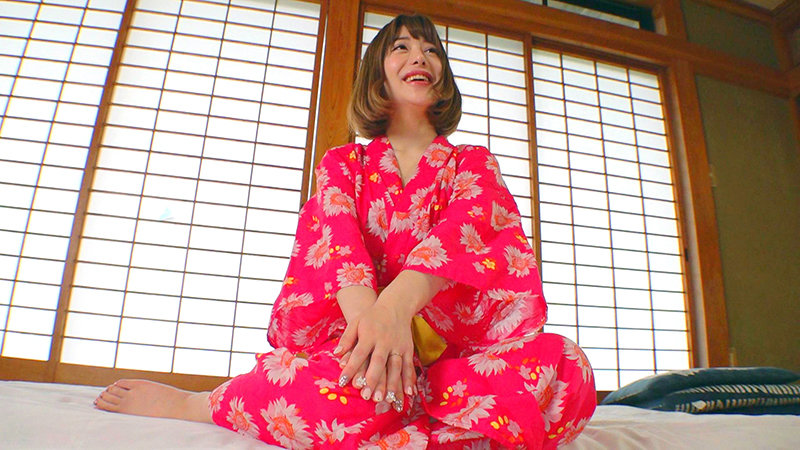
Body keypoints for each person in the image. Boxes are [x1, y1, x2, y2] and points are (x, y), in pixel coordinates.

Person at [95, 14, 596, 449]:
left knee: (567, 369)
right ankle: (200, 404)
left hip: (454, 360)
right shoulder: (343, 164)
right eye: (402, 47)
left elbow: (462, 238)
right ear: (377, 70)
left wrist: (396, 311)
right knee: (297, 384)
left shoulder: (473, 162)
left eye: (431, 50)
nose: (420, 56)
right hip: (360, 349)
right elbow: (338, 248)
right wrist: (375, 332)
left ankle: (401, 414)